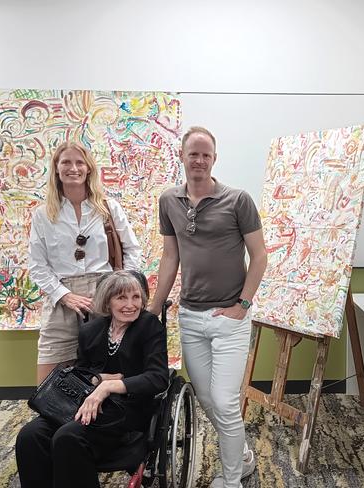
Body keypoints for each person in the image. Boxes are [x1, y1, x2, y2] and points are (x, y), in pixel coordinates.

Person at [149, 126, 267, 488]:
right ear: (182, 157)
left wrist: (243, 305)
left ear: (214, 159)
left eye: (206, 154)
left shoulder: (238, 200)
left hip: (229, 318)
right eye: (193, 154)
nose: (199, 160)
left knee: (226, 403)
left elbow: (259, 255)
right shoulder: (169, 200)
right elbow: (170, 258)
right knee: (206, 399)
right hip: (190, 316)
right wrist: (152, 311)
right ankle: (243, 457)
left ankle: (232, 480)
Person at [16, 270, 169, 488]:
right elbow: (81, 372)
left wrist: (109, 386)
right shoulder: (91, 330)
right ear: (107, 302)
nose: (130, 305)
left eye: (136, 297)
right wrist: (98, 379)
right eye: (121, 298)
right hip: (84, 402)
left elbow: (158, 377)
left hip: (128, 408)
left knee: (68, 437)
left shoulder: (149, 326)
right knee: (30, 435)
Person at [29, 141, 141, 384]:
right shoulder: (43, 214)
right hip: (62, 297)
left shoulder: (108, 208)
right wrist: (64, 295)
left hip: (103, 294)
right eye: (66, 162)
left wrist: (119, 288)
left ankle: (99, 420)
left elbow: (132, 250)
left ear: (89, 168)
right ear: (56, 169)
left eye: (80, 162)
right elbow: (37, 265)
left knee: (107, 370)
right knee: (48, 384)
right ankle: (56, 421)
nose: (74, 168)